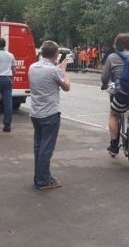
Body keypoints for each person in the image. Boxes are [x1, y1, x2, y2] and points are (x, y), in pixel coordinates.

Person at [28, 40, 71, 190]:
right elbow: (66, 87)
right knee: (47, 149)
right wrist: (63, 69)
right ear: (55, 54)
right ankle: (42, 181)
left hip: (35, 112)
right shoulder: (54, 70)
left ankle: (42, 176)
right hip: (50, 113)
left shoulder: (32, 67)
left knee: (39, 147)